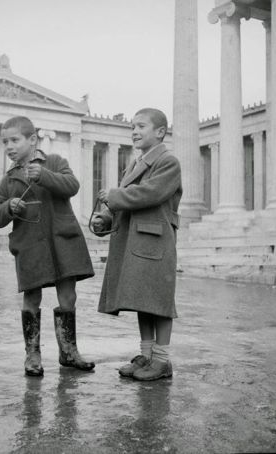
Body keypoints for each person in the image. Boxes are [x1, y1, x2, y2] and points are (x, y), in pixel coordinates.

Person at [0, 116, 95, 377]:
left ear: (32, 139)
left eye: (15, 140)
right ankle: (32, 355)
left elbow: (72, 186)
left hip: (62, 240)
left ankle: (69, 352)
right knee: (32, 297)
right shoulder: (9, 179)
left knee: (68, 296)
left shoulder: (55, 162)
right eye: (5, 142)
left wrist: (45, 175)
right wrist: (8, 207)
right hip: (30, 246)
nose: (9, 146)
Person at [91, 108, 182, 381]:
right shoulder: (134, 164)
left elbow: (149, 194)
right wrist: (105, 219)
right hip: (136, 238)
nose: (134, 131)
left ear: (160, 132)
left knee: (160, 301)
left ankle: (162, 361)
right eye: (132, 126)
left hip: (156, 240)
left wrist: (115, 196)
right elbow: (127, 205)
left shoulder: (168, 162)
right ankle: (146, 356)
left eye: (141, 126)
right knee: (143, 299)